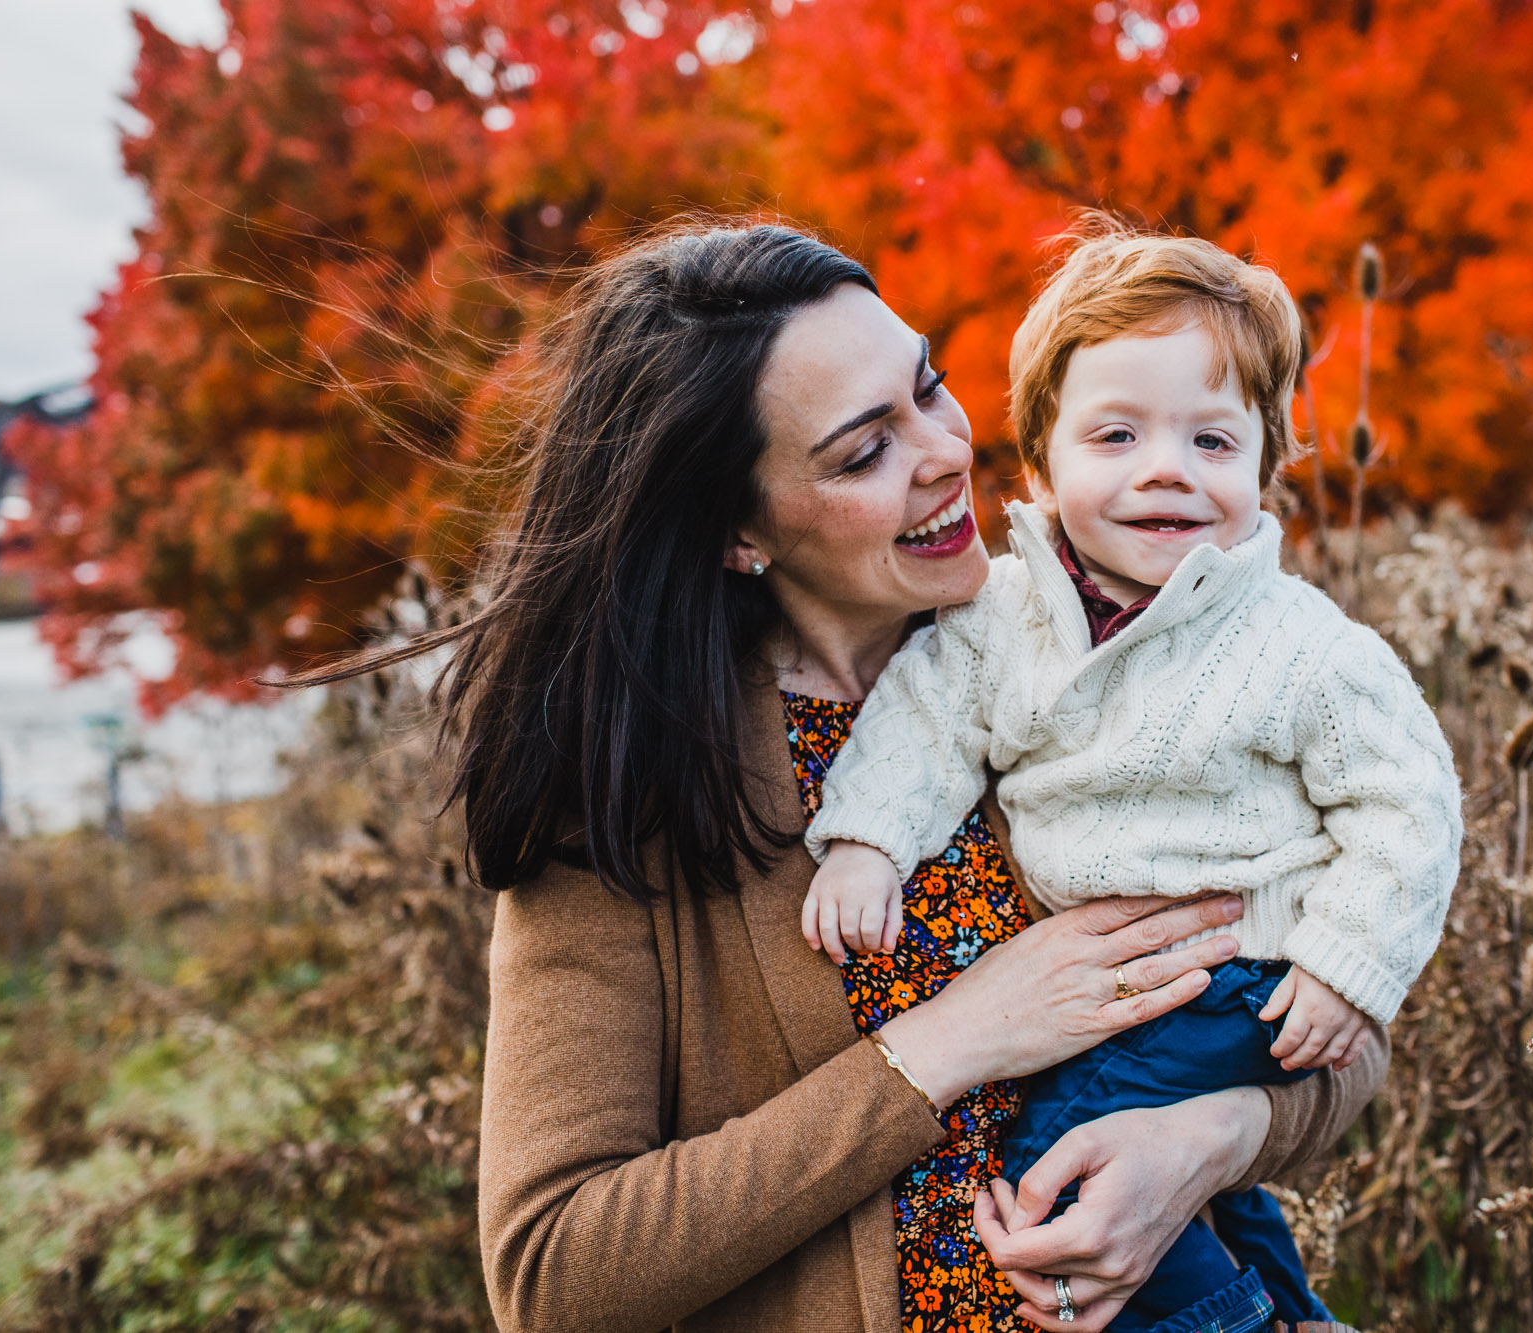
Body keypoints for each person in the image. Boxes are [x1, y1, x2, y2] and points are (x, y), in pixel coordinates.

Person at [396, 218, 1392, 1333]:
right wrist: (943, 1046)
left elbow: (1313, 1020)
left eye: (929, 387)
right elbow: (552, 1270)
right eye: (863, 449)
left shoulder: (1075, 652)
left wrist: (1208, 1141)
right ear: (740, 528)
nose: (943, 451)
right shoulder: (634, 796)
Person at [802, 224, 1463, 1330]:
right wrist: (866, 838)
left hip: (1242, 971)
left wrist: (1349, 961)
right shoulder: (998, 617)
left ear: (1262, 461)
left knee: (1063, 1158)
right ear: (1043, 455)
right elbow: (922, 724)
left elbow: (1408, 803)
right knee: (1211, 1192)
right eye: (1116, 435)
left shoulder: (1300, 644)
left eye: (1212, 441)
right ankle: (1292, 1310)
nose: (1166, 468)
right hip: (1121, 993)